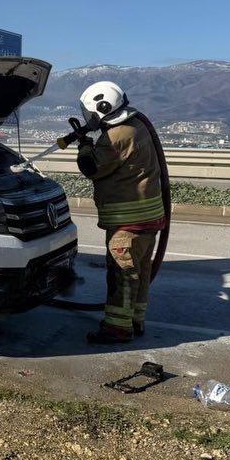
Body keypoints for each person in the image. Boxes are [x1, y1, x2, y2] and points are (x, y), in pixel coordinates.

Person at [74, 80, 164, 345]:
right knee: (140, 273)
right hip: (148, 219)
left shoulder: (116, 136)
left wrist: (84, 145)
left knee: (122, 274)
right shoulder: (137, 126)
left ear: (101, 109)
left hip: (128, 223)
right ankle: (135, 320)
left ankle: (117, 328)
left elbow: (91, 167)